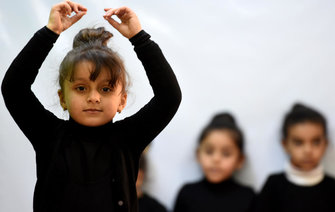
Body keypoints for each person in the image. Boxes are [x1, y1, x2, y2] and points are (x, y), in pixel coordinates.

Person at [1, 1, 181, 212]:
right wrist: (50, 32)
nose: (93, 97)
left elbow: (169, 97)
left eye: (105, 89)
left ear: (122, 100)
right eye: (81, 88)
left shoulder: (128, 139)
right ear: (63, 98)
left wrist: (139, 38)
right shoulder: (48, 135)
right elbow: (14, 88)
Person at [254, 103, 335, 212]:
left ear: (325, 144)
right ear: (285, 145)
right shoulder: (273, 185)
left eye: (316, 142)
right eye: (298, 142)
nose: (308, 151)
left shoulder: (334, 188)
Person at [173, 112, 255, 212]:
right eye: (209, 151)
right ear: (198, 155)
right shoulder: (187, 193)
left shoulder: (248, 196)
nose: (216, 159)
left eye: (226, 154)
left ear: (240, 160)